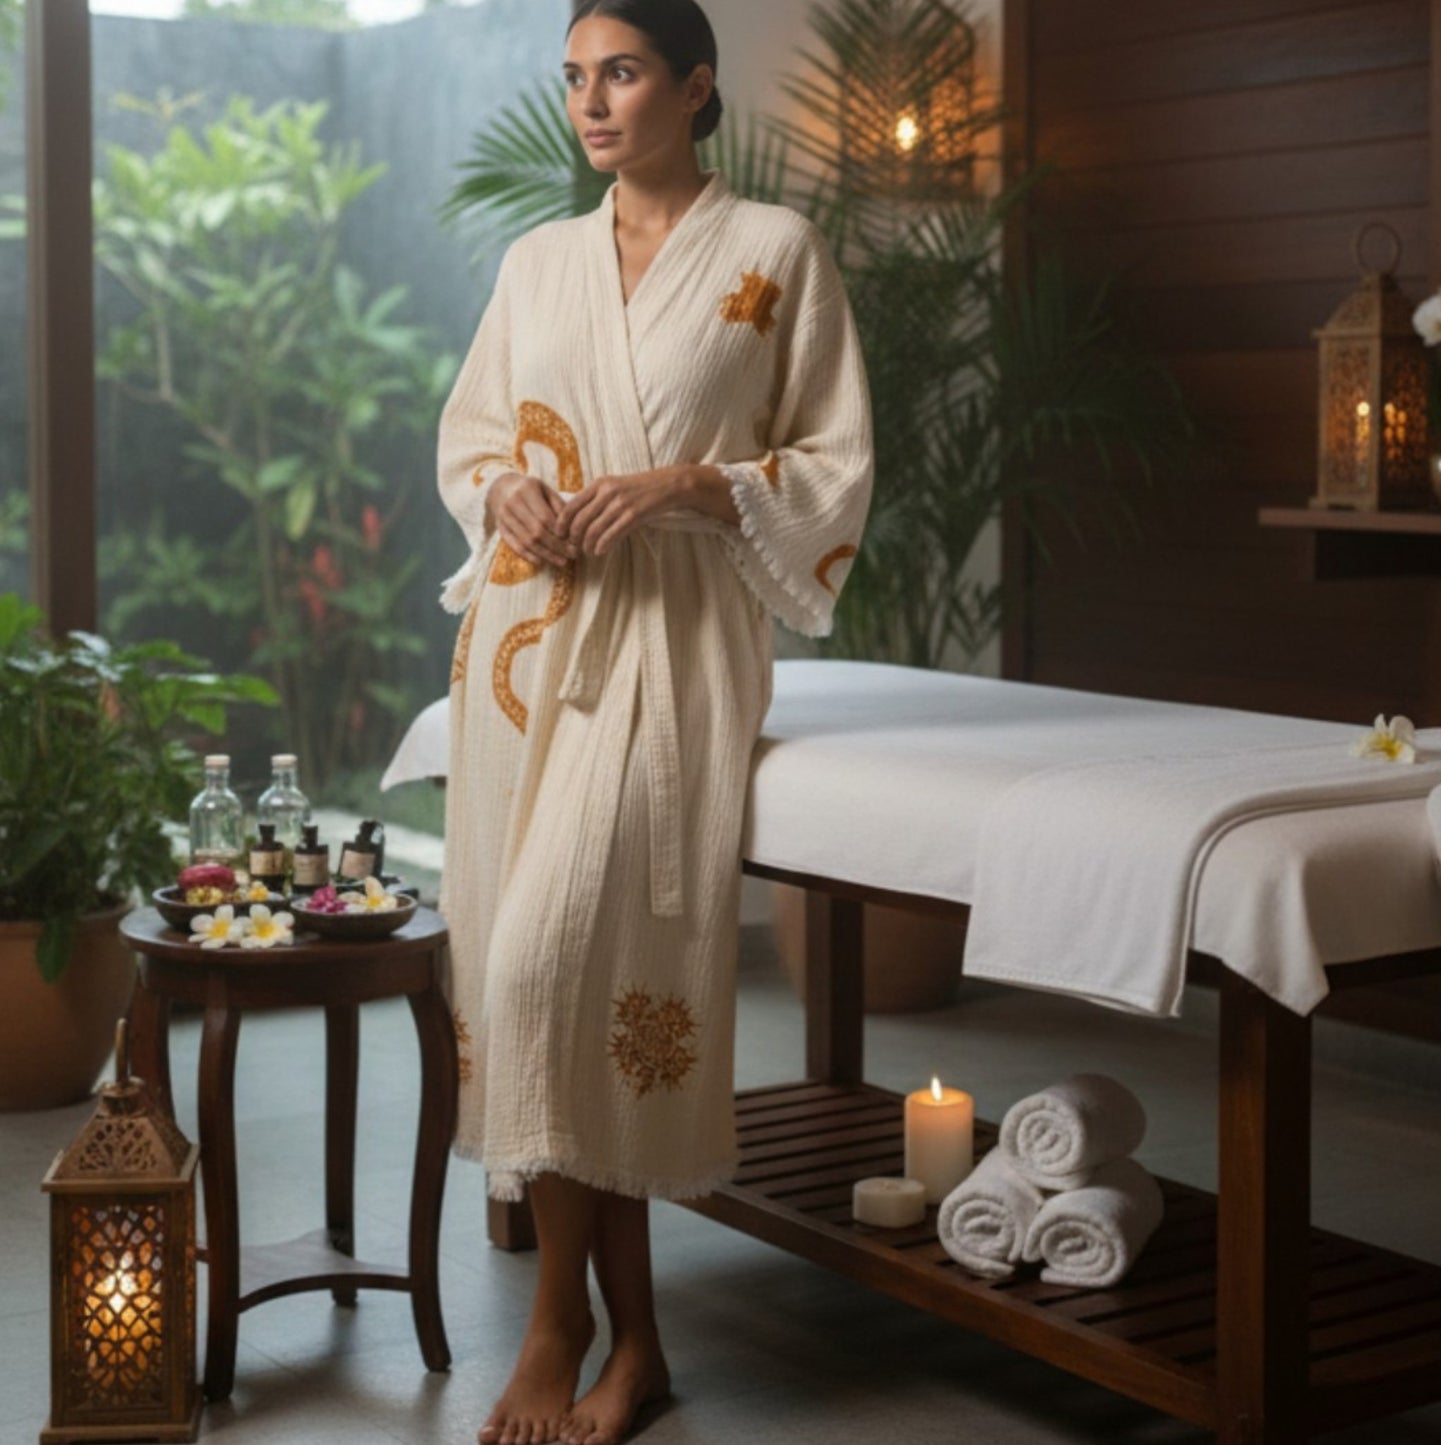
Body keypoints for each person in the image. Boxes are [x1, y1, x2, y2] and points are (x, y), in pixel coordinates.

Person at [436, 0, 873, 1440]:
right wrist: (505, 490)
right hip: (527, 641)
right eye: (574, 77)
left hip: (676, 640)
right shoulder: (537, 261)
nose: (590, 102)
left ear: (694, 87)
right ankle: (631, 1341)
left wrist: (690, 483)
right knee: (542, 982)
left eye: (619, 73)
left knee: (549, 968)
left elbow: (832, 465)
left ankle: (559, 1324)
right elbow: (474, 437)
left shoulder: (775, 253)